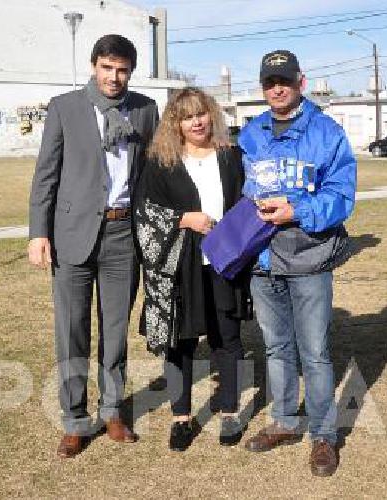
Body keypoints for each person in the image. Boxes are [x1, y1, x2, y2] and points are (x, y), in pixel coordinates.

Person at [28, 34, 160, 459]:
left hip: (124, 235)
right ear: (94, 66)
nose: (114, 77)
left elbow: (155, 171)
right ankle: (74, 420)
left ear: (130, 73)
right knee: (72, 332)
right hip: (72, 235)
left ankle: (113, 411)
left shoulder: (144, 110)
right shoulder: (64, 108)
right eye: (107, 68)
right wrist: (38, 232)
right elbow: (46, 175)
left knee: (116, 331)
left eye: (122, 70)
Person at [237, 50, 357, 477]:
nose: (277, 88)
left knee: (316, 352)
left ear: (301, 82)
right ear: (263, 87)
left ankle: (324, 436)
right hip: (263, 259)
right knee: (276, 347)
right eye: (270, 82)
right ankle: (285, 421)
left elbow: (342, 197)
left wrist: (297, 210)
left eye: (284, 80)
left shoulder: (327, 134)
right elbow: (237, 190)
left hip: (308, 257)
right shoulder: (250, 135)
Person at [134, 87, 252, 451]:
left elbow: (245, 201)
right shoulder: (161, 162)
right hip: (181, 265)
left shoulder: (230, 156)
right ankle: (182, 418)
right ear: (176, 123)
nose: (196, 121)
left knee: (227, 337)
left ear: (211, 115)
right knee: (180, 342)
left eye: (201, 113)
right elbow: (144, 212)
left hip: (223, 262)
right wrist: (185, 219)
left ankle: (229, 410)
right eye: (187, 116)